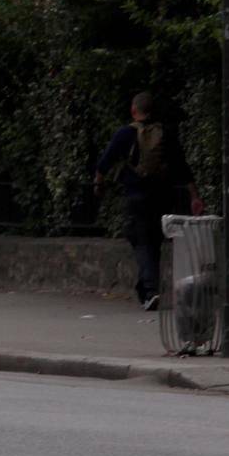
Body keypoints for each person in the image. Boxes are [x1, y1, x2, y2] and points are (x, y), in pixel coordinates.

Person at [94, 92, 204, 311]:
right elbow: (182, 166)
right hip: (163, 196)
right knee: (153, 242)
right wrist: (194, 195)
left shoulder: (126, 133)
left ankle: (151, 291)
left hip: (136, 196)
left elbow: (105, 162)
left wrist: (98, 184)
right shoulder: (166, 134)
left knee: (140, 241)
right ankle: (145, 290)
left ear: (134, 110)